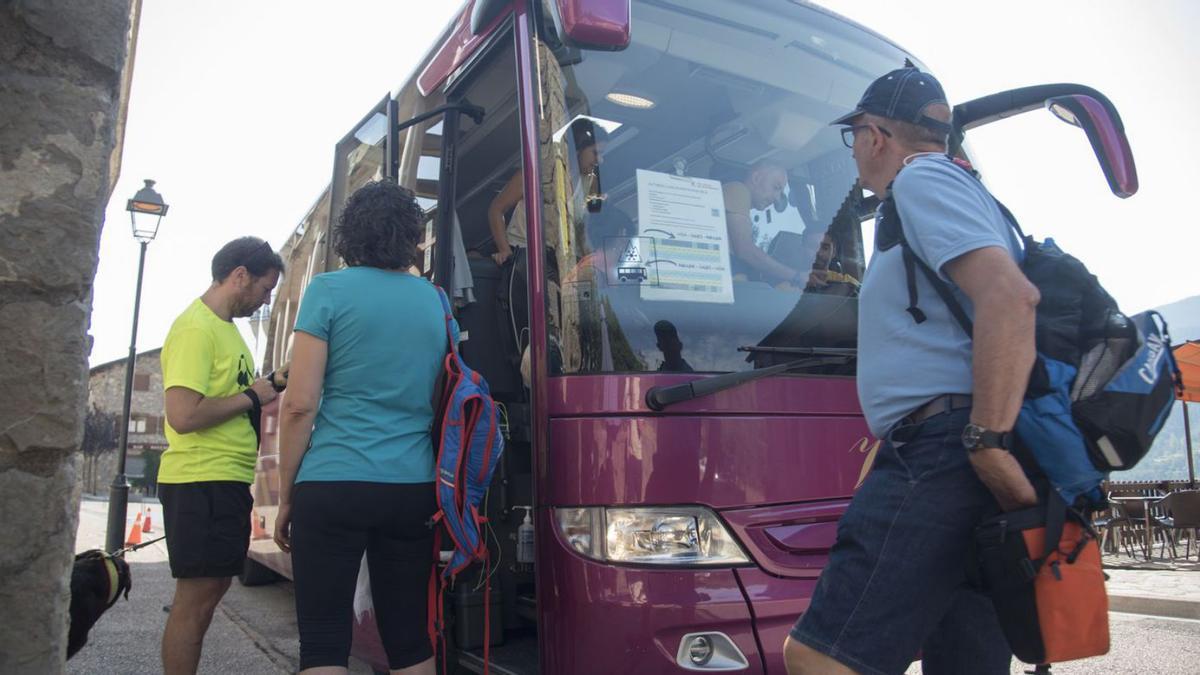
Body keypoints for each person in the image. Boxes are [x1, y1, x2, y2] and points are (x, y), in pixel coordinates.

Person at [783, 67, 1039, 675]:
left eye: (855, 140)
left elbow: (1010, 297)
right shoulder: (966, 189)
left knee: (820, 658)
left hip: (944, 454)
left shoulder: (920, 179)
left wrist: (985, 442)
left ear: (874, 136)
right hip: (953, 448)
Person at [274, 180, 451, 674]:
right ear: (411, 237)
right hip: (410, 488)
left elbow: (299, 405)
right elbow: (440, 399)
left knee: (325, 642)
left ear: (350, 235)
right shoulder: (436, 302)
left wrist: (287, 495)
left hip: (332, 484)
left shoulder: (328, 291)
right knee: (410, 638)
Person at [158, 237, 284, 675]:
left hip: (220, 480)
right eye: (265, 289)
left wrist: (270, 383)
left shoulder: (226, 330)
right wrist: (253, 394)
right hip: (199, 479)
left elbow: (232, 396)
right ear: (239, 276)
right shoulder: (196, 328)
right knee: (194, 603)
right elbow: (183, 415)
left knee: (208, 596)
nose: (266, 300)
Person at [487, 118, 609, 266]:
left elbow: (582, 229)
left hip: (560, 261)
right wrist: (505, 251)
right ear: (577, 147)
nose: (600, 160)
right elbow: (496, 209)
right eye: (596, 152)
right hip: (525, 257)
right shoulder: (536, 172)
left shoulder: (590, 182)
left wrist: (591, 259)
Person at [722, 161, 802, 284]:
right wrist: (797, 276)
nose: (776, 198)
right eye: (776, 187)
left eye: (780, 193)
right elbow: (745, 250)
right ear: (756, 178)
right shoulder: (738, 189)